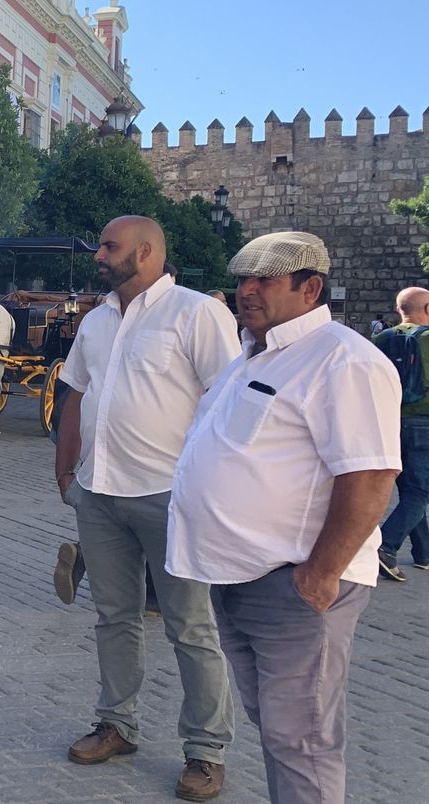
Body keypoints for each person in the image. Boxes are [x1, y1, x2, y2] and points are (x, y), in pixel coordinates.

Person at [168, 231, 400, 804]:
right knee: (280, 730)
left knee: (302, 740)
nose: (246, 291)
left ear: (310, 288)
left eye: (264, 280)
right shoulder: (254, 353)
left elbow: (370, 476)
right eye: (242, 279)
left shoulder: (343, 360)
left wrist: (319, 575)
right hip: (240, 577)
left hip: (295, 583)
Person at [53, 216, 240, 801]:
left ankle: (206, 751)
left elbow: (228, 404)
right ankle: (117, 724)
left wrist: (211, 489)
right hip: (99, 492)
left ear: (147, 251)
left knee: (190, 626)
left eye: (110, 247)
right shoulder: (96, 319)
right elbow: (75, 392)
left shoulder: (196, 313)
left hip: (170, 496)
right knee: (114, 616)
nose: (99, 255)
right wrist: (66, 470)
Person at [375, 287, 429, 582]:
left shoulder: (382, 338)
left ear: (399, 310)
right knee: (419, 492)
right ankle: (386, 546)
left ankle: (423, 554)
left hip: (389, 422)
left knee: (411, 490)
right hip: (423, 422)